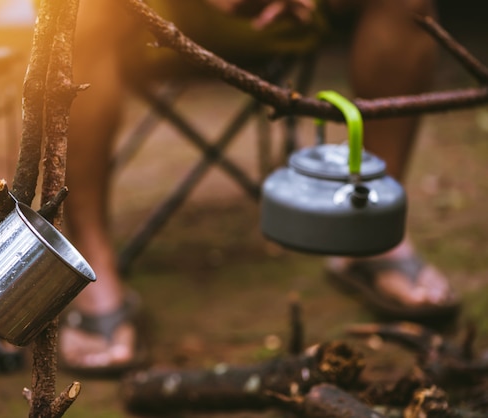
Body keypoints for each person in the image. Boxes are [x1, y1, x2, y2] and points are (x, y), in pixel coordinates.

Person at [57, 0, 460, 375]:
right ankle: (89, 259)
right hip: (146, 14)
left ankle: (375, 230)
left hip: (287, 10)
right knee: (74, 11)